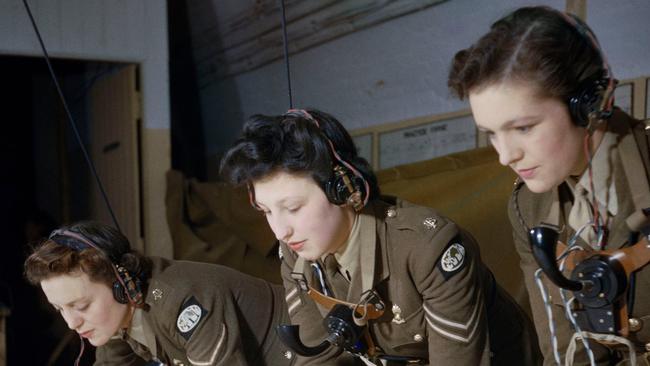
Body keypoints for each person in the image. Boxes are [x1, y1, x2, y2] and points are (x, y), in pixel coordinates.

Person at [219, 108, 541, 365]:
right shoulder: (297, 255)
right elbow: (318, 357)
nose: (280, 230)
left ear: (344, 188)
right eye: (266, 211)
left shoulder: (428, 248)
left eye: (292, 207)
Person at [448, 5, 650, 365]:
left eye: (523, 128)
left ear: (588, 104)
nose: (505, 156)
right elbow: (562, 349)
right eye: (491, 134)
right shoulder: (528, 207)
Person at [24, 221, 295, 366]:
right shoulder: (114, 316)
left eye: (81, 305)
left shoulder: (183, 300)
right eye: (60, 309)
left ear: (120, 283)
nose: (71, 323)